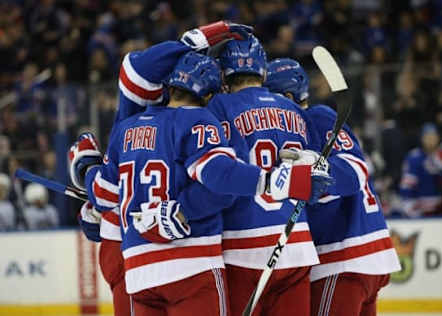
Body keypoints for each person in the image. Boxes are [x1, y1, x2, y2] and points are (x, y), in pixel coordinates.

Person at [69, 51, 324, 316]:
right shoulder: (196, 119)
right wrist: (270, 181)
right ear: (209, 96)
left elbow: (103, 194)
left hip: (139, 274)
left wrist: (87, 166)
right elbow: (219, 176)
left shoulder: (126, 129)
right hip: (192, 265)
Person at [73, 21, 260, 316]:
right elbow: (223, 183)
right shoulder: (198, 119)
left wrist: (87, 174)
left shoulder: (129, 124)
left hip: (133, 256)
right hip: (187, 257)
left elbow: (104, 191)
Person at [264, 57, 401, 316]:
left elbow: (356, 171)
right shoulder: (294, 128)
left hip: (343, 255)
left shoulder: (317, 117)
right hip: (357, 256)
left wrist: (320, 167)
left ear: (289, 96)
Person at [207, 36, 332, 316]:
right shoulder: (293, 109)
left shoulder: (219, 108)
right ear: (263, 71)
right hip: (296, 242)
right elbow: (313, 170)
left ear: (224, 73)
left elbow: (215, 172)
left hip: (243, 245)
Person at [399, 123, 442, 217]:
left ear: (438, 138)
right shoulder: (414, 157)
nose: (430, 140)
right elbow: (406, 185)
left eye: (433, 137)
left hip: (441, 206)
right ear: (422, 139)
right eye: (427, 137)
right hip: (419, 206)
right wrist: (408, 204)